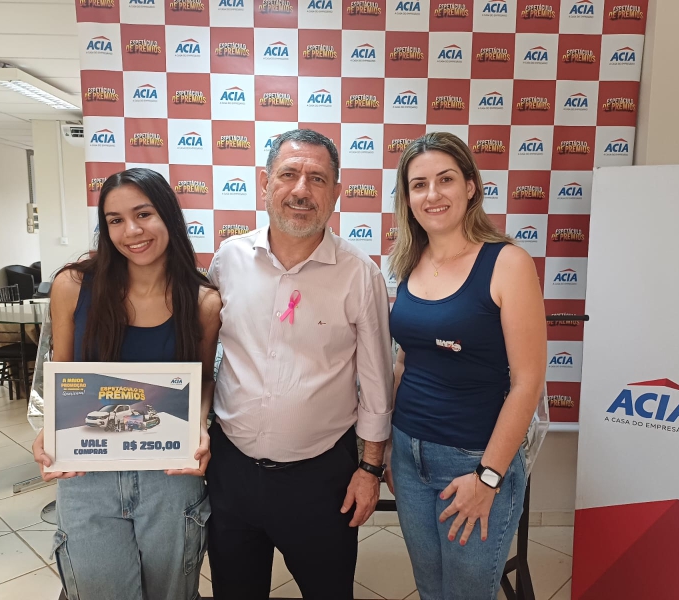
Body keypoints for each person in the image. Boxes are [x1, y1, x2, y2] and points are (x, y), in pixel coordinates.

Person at [206, 129, 393, 600]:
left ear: (336, 192)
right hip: (232, 473)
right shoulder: (228, 260)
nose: (301, 190)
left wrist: (370, 470)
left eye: (317, 178)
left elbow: (376, 382)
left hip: (321, 479)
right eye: (288, 175)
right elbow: (202, 355)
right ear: (264, 183)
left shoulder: (359, 274)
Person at [31, 168, 221, 600]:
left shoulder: (203, 301)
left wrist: (198, 424)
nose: (131, 231)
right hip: (88, 472)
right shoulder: (72, 286)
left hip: (169, 475)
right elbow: (63, 371)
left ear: (168, 215)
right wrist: (50, 428)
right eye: (115, 220)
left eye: (143, 214)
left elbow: (203, 380)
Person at [385, 132, 547, 600]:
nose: (432, 194)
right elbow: (404, 359)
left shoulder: (507, 263)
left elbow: (528, 383)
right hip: (408, 454)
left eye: (446, 179)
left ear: (471, 186)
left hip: (473, 460)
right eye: (419, 185)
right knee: (430, 588)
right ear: (407, 197)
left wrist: (488, 477)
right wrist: (391, 447)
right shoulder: (409, 260)